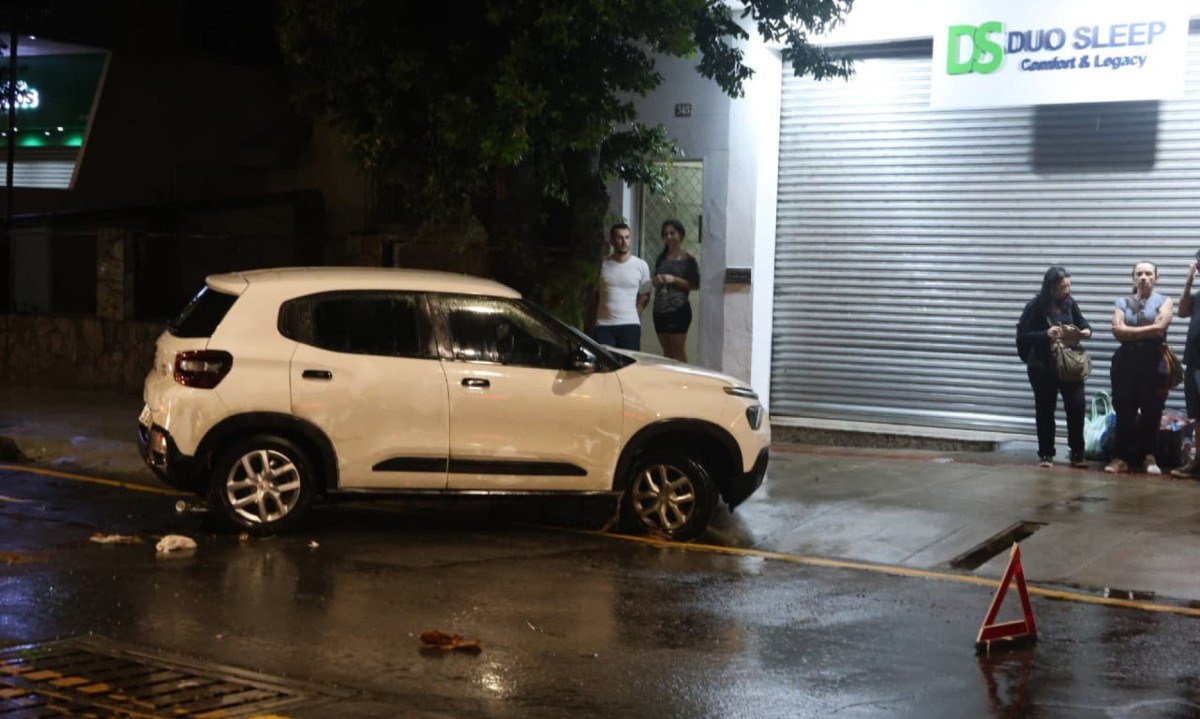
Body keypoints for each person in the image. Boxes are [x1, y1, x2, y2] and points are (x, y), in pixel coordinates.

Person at [1017, 266, 1093, 468]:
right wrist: (1045, 334)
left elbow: (1083, 322)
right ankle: (1046, 455)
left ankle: (1077, 453)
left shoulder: (1070, 304)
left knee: (1076, 407)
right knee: (1045, 409)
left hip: (1069, 365)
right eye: (1062, 287)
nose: (1067, 290)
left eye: (1069, 286)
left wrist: (1086, 331)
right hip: (1043, 366)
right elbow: (1023, 335)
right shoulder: (1035, 306)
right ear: (1051, 288)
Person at [1106, 261, 1174, 474]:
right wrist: (1150, 329)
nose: (1143, 277)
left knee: (1152, 412)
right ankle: (1121, 458)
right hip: (1125, 364)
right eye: (1139, 274)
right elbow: (1117, 331)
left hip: (1153, 364)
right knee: (1124, 410)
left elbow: (1161, 329)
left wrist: (1130, 331)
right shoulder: (1122, 302)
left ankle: (1149, 457)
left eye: (1148, 273)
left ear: (1156, 277)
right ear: (1133, 278)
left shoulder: (1165, 301)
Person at [592, 223, 651, 351]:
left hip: (630, 324)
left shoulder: (641, 265)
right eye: (620, 238)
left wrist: (635, 314)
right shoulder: (602, 265)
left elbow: (645, 295)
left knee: (629, 366)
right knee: (604, 365)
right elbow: (595, 294)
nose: (624, 241)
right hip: (604, 325)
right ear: (612, 241)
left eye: (627, 237)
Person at [651, 219, 700, 362]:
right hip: (660, 310)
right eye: (665, 234)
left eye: (672, 233)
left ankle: (683, 381)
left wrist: (673, 279)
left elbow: (695, 284)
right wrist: (656, 280)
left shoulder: (688, 258)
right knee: (667, 351)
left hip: (678, 309)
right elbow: (655, 279)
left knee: (678, 350)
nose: (669, 237)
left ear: (681, 234)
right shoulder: (661, 257)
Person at [1172, 258, 1200, 478]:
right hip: (1194, 363)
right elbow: (1181, 311)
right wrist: (1189, 280)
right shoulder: (1198, 297)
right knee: (1197, 415)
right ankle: (1198, 463)